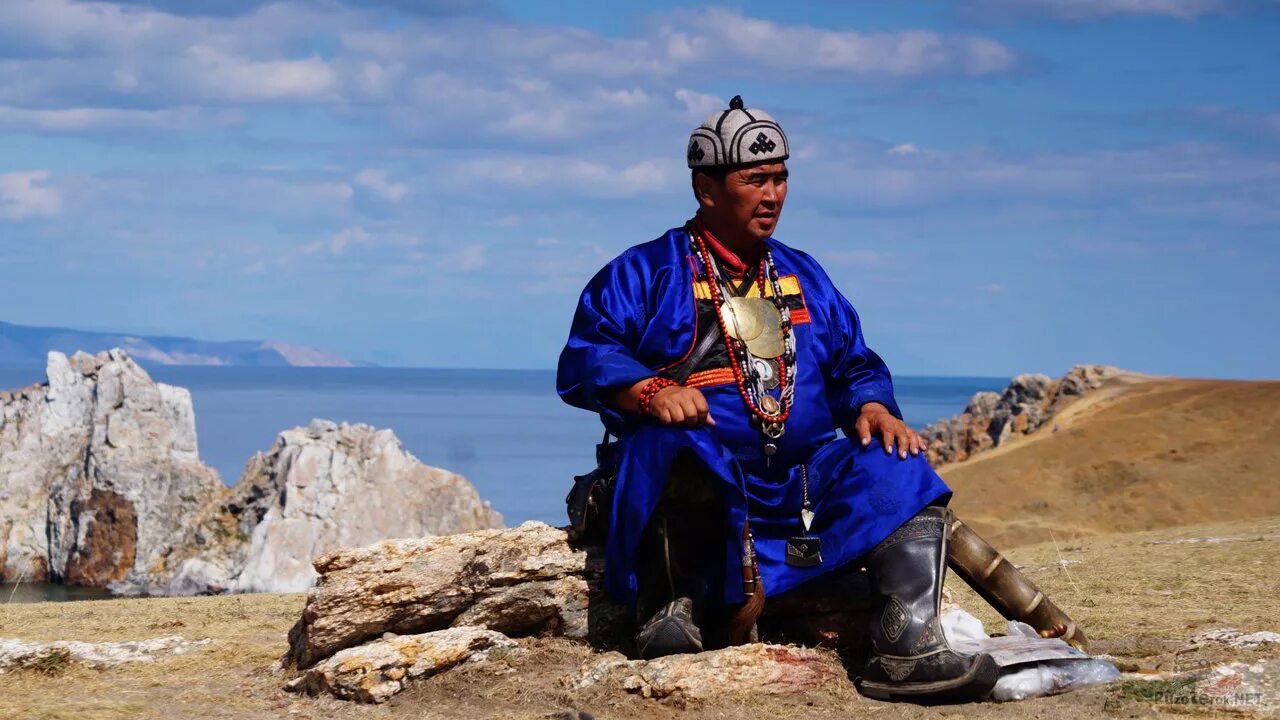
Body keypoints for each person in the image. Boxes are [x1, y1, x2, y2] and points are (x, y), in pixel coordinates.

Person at [556, 96, 998, 700]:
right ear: (706, 189)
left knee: (893, 461)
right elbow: (587, 357)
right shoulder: (644, 272)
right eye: (754, 179)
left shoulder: (804, 273)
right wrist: (649, 390)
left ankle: (906, 649)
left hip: (799, 485)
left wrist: (872, 406)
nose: (773, 194)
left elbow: (852, 364)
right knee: (676, 445)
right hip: (701, 482)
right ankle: (672, 614)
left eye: (781, 177)